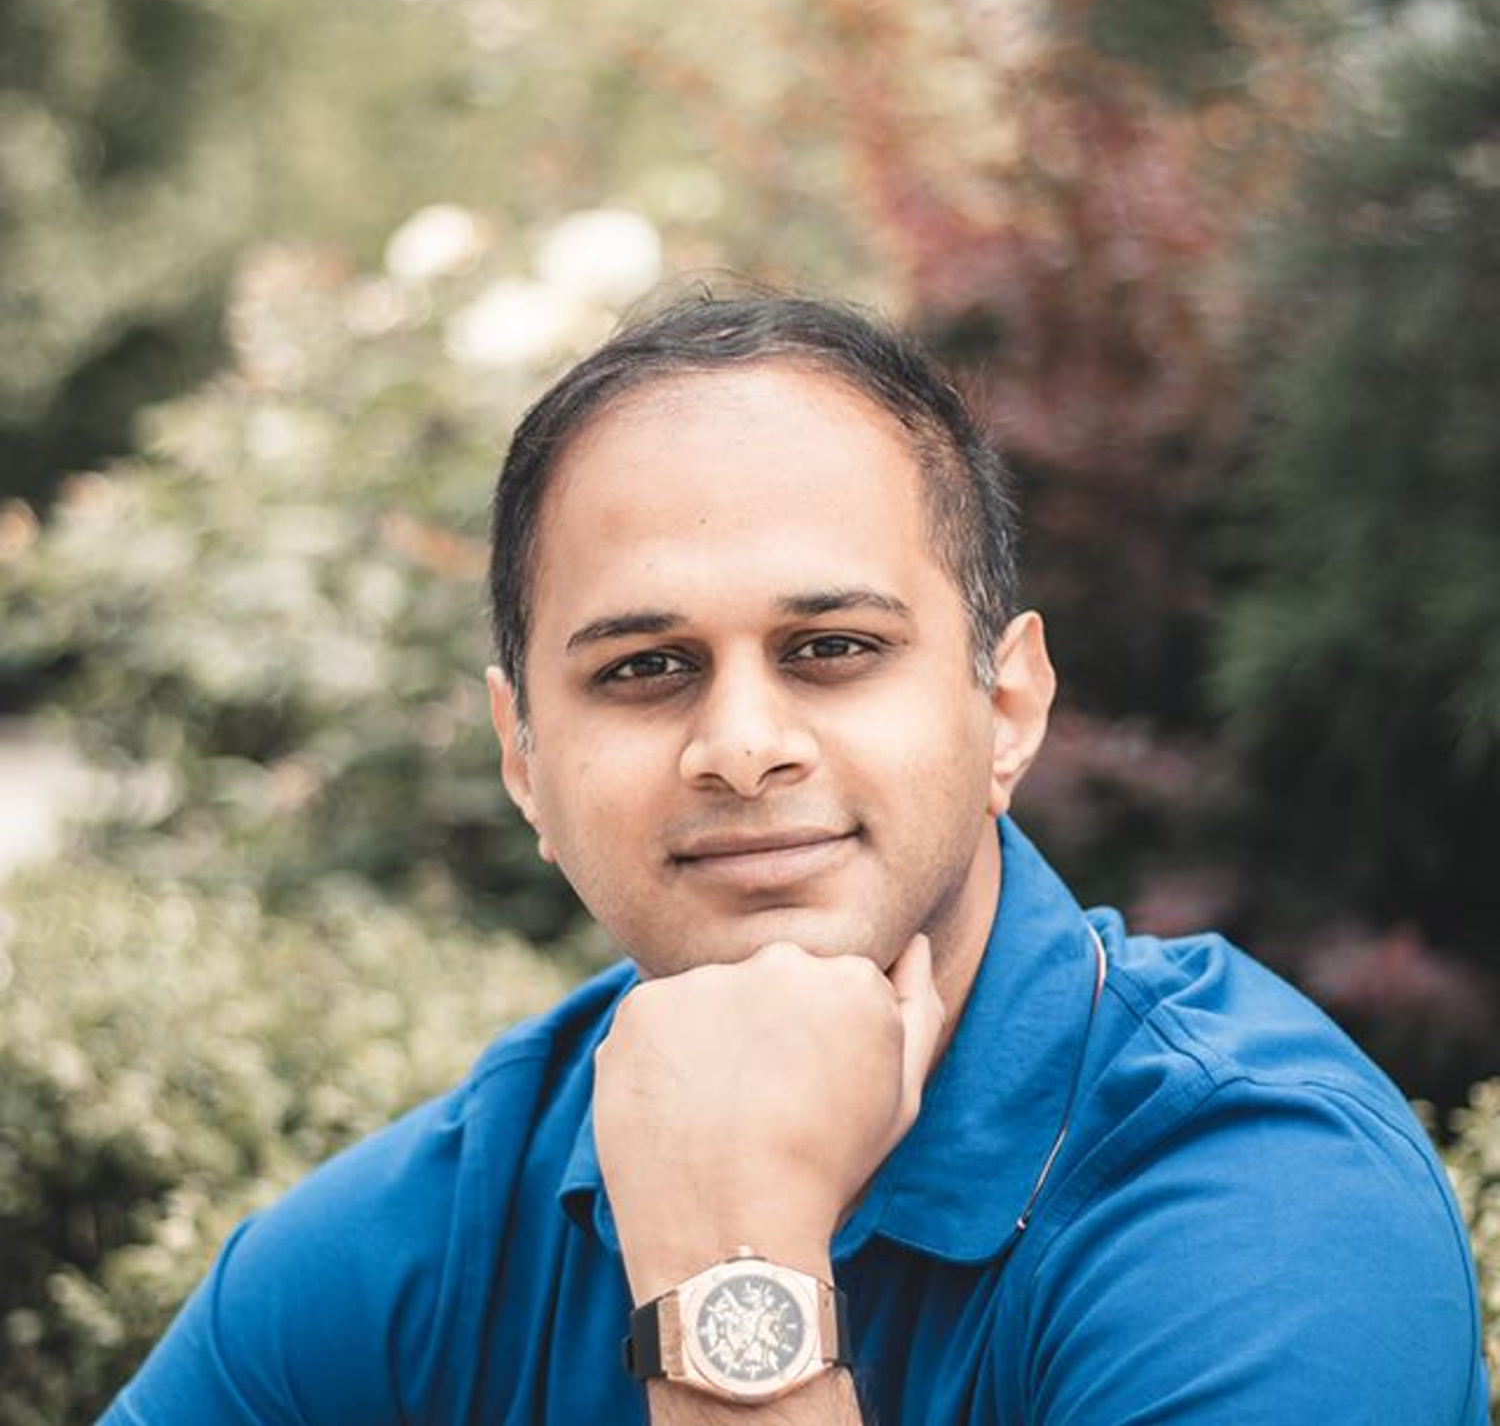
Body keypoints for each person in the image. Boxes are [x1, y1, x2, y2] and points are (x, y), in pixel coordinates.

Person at [100, 294, 1488, 1425]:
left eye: (833, 648)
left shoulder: (1267, 1207)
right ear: (524, 758)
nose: (743, 746)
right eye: (646, 667)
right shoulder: (444, 1228)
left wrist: (728, 1264)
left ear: (1007, 706)